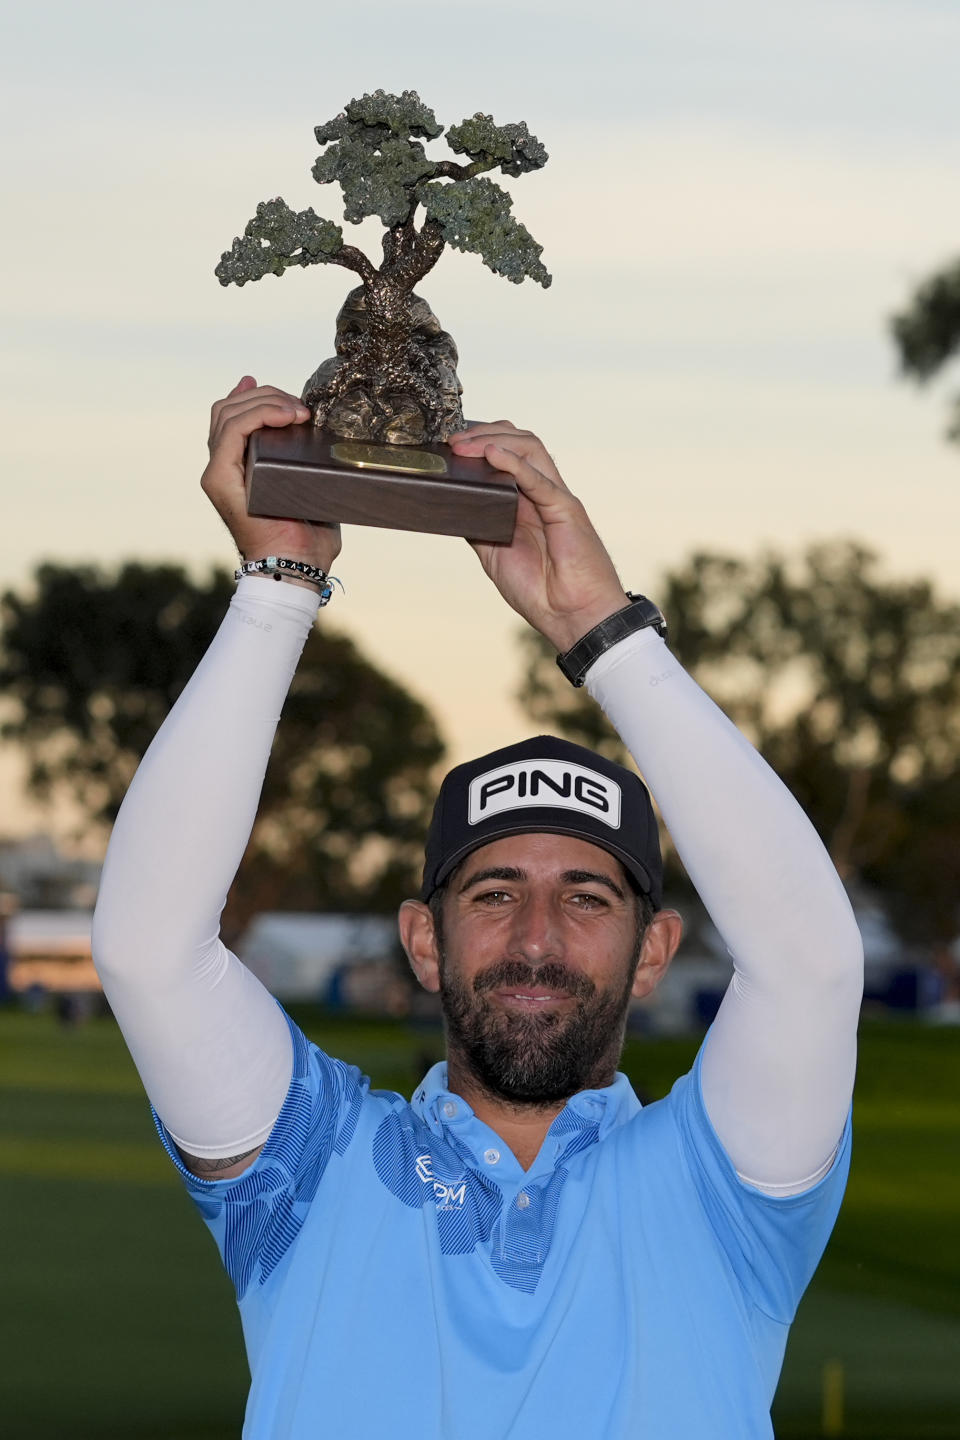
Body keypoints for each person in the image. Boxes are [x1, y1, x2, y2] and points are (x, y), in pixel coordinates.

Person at [92, 378, 864, 1439]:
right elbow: (147, 950)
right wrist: (278, 584)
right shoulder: (312, 1169)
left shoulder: (718, 1187)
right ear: (424, 939)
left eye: (588, 898)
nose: (537, 939)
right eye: (494, 893)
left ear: (655, 952)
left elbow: (813, 967)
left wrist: (601, 628)